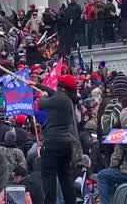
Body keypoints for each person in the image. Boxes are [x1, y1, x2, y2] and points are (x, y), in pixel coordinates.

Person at [35, 74, 80, 204]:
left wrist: (42, 95)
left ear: (63, 88)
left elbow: (42, 103)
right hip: (64, 145)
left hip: (53, 144)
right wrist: (36, 85)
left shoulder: (61, 99)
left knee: (49, 177)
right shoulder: (66, 99)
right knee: (65, 177)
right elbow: (52, 92)